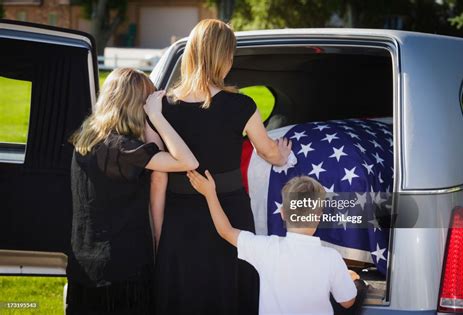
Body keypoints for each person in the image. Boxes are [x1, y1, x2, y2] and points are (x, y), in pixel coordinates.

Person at [150, 19, 292, 315]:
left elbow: (158, 177)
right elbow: (268, 152)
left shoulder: (162, 107)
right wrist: (282, 155)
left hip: (179, 218)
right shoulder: (241, 105)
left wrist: (157, 231)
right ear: (225, 58)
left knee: (183, 294)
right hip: (230, 214)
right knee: (228, 293)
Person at [66, 68, 198, 315]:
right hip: (122, 272)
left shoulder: (87, 140)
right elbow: (187, 162)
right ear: (137, 106)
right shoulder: (125, 151)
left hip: (83, 266)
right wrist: (157, 117)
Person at [187, 171, 358, 315]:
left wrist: (210, 194)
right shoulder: (331, 258)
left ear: (283, 213)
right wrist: (351, 280)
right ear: (319, 215)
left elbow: (226, 231)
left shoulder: (266, 248)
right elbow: (347, 302)